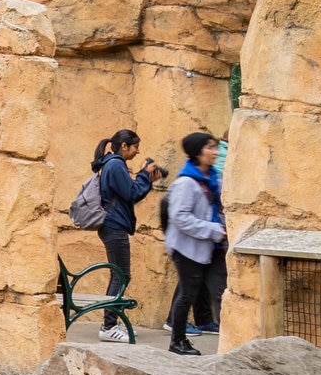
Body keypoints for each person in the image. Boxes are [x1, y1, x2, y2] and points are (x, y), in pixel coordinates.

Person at [91, 130, 161, 342]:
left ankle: (112, 321)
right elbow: (132, 193)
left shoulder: (111, 164)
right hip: (114, 226)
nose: (137, 151)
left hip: (113, 225)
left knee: (119, 275)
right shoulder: (115, 165)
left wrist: (143, 177)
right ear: (124, 146)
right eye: (135, 147)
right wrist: (144, 175)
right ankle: (108, 326)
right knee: (121, 276)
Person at [162, 131, 226, 357]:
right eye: (210, 147)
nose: (215, 152)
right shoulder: (186, 183)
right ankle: (177, 341)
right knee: (187, 293)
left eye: (215, 147)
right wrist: (214, 230)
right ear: (198, 152)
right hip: (187, 247)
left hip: (212, 246)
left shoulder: (213, 178)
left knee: (221, 292)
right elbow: (180, 216)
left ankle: (228, 344)